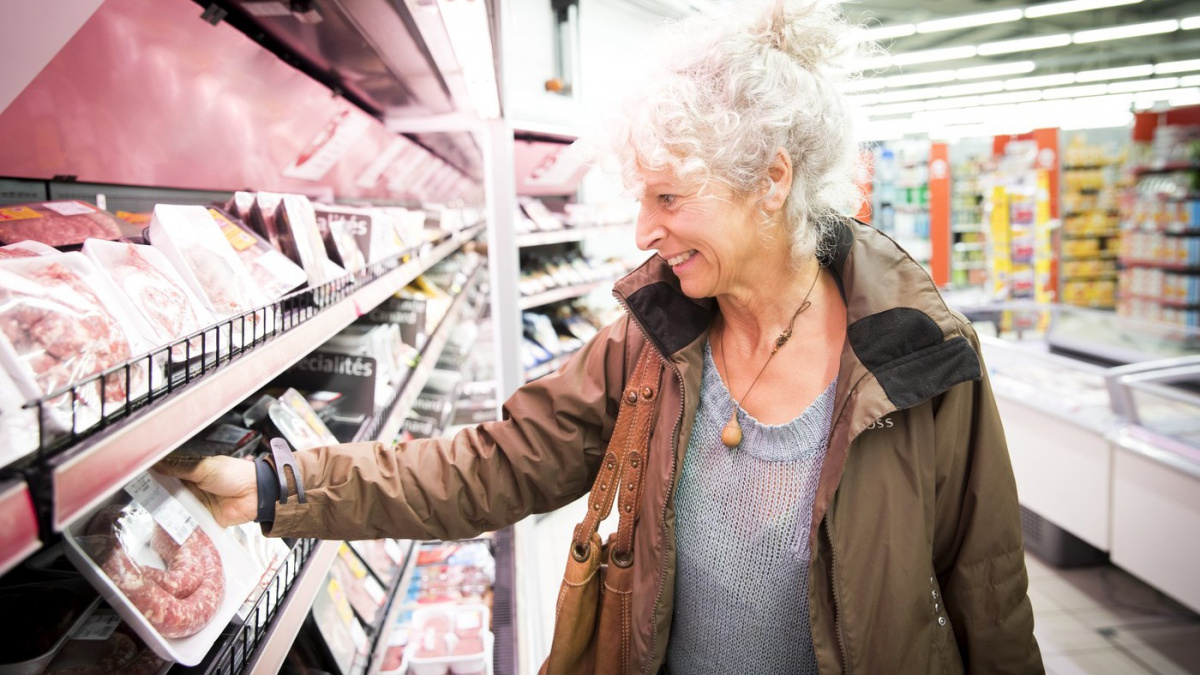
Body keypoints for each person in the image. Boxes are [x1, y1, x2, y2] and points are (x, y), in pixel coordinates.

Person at [163, 0, 1044, 672]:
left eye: (669, 198)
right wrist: (276, 487)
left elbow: (990, 589)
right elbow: (494, 464)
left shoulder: (921, 361)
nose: (643, 230)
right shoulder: (653, 344)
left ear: (771, 181)